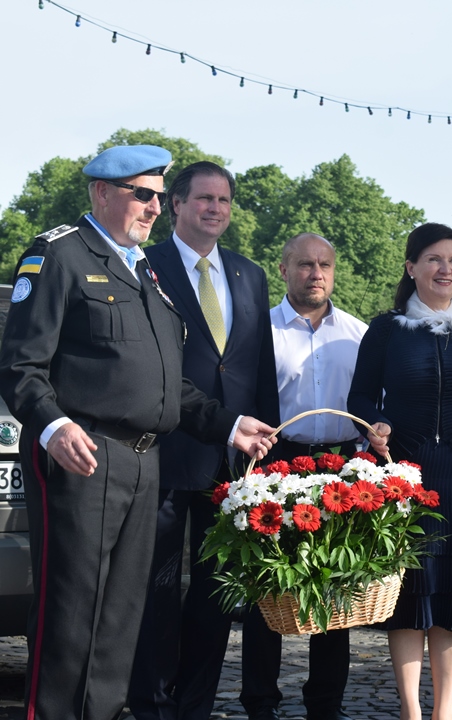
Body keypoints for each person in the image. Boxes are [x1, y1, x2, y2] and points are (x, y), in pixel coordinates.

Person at [0, 145, 275, 720]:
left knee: (123, 618)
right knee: (71, 613)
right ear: (102, 192)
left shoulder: (142, 268)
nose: (153, 207)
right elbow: (20, 365)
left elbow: (168, 382)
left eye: (156, 195)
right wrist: (52, 426)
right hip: (84, 456)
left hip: (144, 463)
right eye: (141, 194)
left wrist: (229, 425)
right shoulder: (60, 256)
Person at [128, 160, 280, 720]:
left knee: (217, 594)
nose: (214, 208)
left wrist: (270, 451)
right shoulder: (144, 266)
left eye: (223, 200)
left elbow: (258, 368)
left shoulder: (249, 274)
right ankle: (152, 704)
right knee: (158, 591)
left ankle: (194, 705)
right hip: (163, 454)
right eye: (203, 199)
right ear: (176, 205)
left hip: (233, 461)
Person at [348, 223, 452, 720]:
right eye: (435, 260)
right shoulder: (385, 330)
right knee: (407, 594)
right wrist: (372, 426)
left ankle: (443, 712)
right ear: (411, 268)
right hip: (405, 476)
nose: (447, 269)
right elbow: (359, 396)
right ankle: (410, 711)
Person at [240, 232, 369, 720]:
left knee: (334, 585)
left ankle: (325, 703)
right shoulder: (257, 331)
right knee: (266, 587)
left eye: (324, 265)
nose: (316, 274)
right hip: (276, 459)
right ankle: (259, 701)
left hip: (339, 463)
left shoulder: (357, 334)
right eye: (305, 265)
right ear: (283, 269)